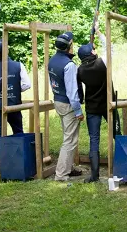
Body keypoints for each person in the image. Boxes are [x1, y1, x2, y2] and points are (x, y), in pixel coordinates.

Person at [76, 21, 119, 183]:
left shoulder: (80, 70)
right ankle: (123, 167)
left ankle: (94, 175)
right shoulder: (103, 62)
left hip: (92, 107)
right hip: (109, 104)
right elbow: (110, 47)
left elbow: (79, 91)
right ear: (92, 53)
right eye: (93, 49)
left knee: (94, 139)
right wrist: (99, 32)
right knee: (117, 135)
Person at [0, 40, 31, 174]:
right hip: (14, 104)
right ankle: (20, 162)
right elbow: (27, 84)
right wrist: (14, 90)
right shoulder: (18, 65)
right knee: (18, 132)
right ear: (7, 51)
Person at [48, 32, 84, 181]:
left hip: (58, 100)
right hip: (68, 104)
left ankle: (68, 168)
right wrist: (78, 110)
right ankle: (61, 174)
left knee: (68, 136)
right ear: (69, 45)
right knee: (69, 140)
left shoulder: (52, 60)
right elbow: (72, 91)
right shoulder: (69, 65)